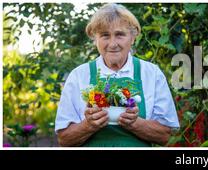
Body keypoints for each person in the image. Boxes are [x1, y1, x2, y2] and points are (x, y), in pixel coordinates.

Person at [55, 3, 180, 147]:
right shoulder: (79, 76)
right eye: (105, 35)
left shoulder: (151, 74)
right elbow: (64, 139)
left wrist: (134, 123)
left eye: (120, 35)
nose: (113, 44)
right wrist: (89, 125)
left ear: (133, 38)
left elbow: (165, 136)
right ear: (96, 40)